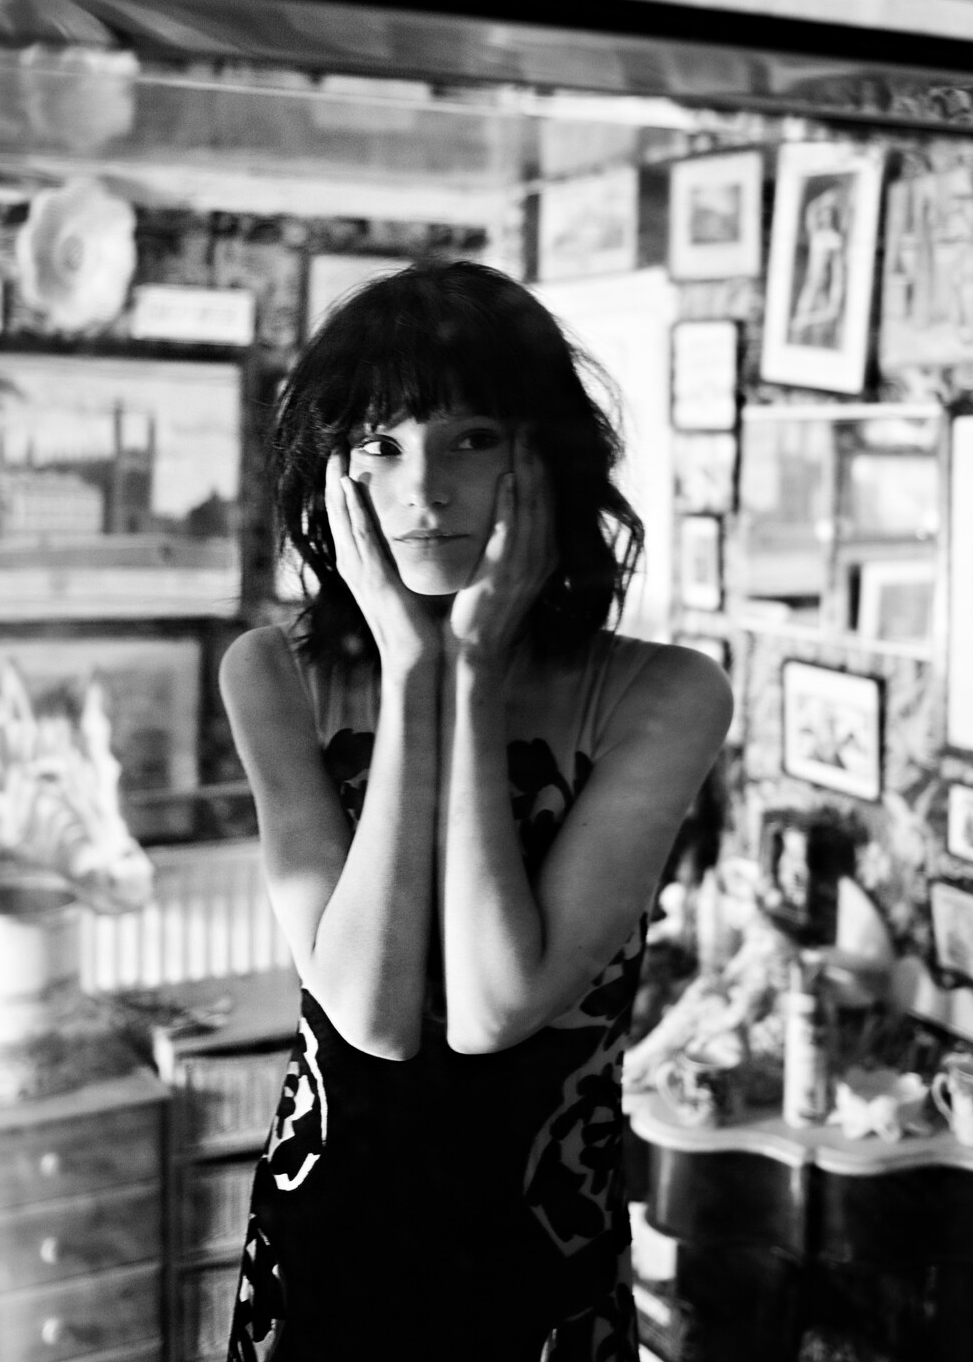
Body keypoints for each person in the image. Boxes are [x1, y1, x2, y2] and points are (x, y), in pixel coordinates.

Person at [221, 261, 733, 1362]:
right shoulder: (272, 674)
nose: (424, 490)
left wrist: (473, 670)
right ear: (330, 471)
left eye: (471, 439)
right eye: (380, 444)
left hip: (543, 1254)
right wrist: (413, 669)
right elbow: (369, 1014)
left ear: (545, 456)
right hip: (328, 1247)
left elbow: (497, 1008)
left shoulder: (666, 693)